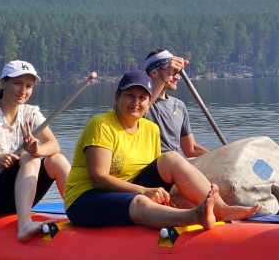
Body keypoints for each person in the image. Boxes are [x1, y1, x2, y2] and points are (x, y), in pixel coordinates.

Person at [62, 70, 260, 230]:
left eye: (142, 97)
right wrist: (145, 191)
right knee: (140, 200)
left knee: (171, 158)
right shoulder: (102, 125)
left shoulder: (151, 129)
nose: (136, 102)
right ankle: (195, 216)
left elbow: (157, 172)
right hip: (86, 198)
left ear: (149, 102)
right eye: (130, 95)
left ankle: (221, 209)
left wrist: (167, 196)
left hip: (129, 189)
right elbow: (99, 179)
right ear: (117, 97)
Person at [0, 60, 72, 242]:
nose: (23, 91)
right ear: (3, 83)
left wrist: (37, 149)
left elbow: (54, 145)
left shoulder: (31, 113)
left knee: (56, 159)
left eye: (28, 86)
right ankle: (24, 225)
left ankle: (79, 210)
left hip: (17, 196)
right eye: (17, 84)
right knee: (29, 157)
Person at [142, 49, 208, 159]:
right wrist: (166, 74)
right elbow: (145, 104)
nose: (177, 77)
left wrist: (221, 156)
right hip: (152, 167)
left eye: (178, 73)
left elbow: (191, 150)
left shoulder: (179, 105)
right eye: (174, 72)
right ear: (155, 73)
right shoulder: (138, 105)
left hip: (176, 166)